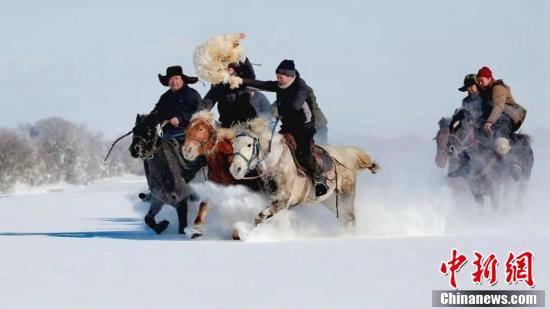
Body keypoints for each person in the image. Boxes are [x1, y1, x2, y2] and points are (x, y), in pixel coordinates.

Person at [230, 59, 328, 197]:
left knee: (303, 153)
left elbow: (295, 106)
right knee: (271, 148)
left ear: (289, 75)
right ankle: (270, 180)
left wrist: (278, 109)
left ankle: (319, 180)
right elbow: (262, 84)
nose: (278, 79)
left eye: (280, 77)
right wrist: (241, 81)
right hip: (288, 126)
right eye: (277, 77)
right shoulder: (280, 85)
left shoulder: (301, 87)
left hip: (304, 127)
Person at [476, 66, 527, 156]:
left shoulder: (498, 88)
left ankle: (512, 160)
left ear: (489, 78)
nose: (480, 83)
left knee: (500, 140)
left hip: (507, 115)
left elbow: (498, 106)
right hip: (496, 117)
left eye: (481, 80)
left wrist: (489, 122)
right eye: (478, 81)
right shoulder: (485, 93)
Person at [199, 58, 258, 128]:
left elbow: (250, 73)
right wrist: (199, 114)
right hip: (226, 125)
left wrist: (242, 58)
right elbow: (207, 101)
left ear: (235, 68)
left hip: (246, 125)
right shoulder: (218, 86)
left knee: (242, 139)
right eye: (223, 66)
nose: (226, 68)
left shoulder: (244, 80)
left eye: (229, 65)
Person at [149, 65, 202, 141]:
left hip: (188, 134)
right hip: (167, 135)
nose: (173, 82)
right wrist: (146, 120)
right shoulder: (165, 97)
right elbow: (156, 112)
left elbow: (199, 111)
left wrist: (180, 119)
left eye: (176, 78)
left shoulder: (192, 94)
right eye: (171, 79)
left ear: (182, 80)